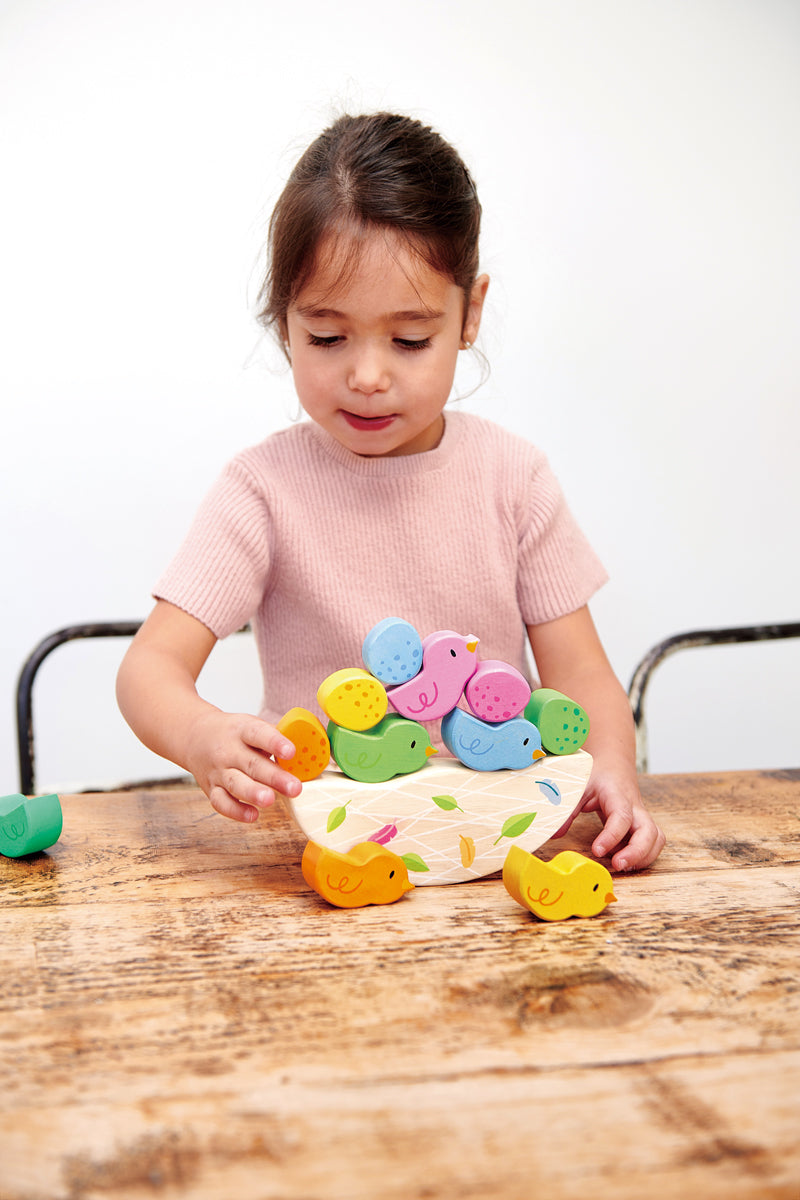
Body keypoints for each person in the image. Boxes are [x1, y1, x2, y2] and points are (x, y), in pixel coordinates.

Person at [116, 111, 665, 872]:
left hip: (501, 845)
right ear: (283, 322)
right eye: (327, 336)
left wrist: (613, 774)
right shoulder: (262, 490)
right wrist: (201, 734)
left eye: (410, 340)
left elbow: (582, 678)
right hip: (330, 853)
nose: (368, 377)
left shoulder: (515, 478)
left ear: (469, 314)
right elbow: (149, 671)